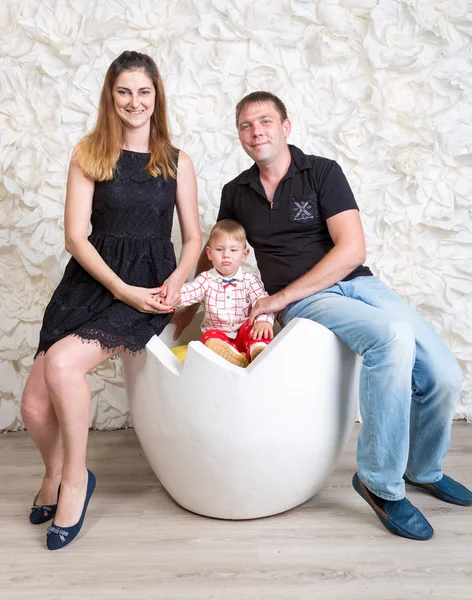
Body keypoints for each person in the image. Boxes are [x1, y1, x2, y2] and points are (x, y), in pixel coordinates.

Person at [173, 91, 472, 541]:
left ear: (286, 127)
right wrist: (181, 314)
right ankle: (379, 483)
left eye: (266, 121)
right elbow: (218, 252)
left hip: (357, 283)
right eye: (246, 125)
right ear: (239, 135)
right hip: (305, 301)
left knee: (444, 375)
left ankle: (423, 469)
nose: (257, 131)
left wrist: (275, 298)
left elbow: (352, 249)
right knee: (389, 338)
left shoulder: (322, 172)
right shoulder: (236, 191)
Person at [21, 51, 201, 550]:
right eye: (124, 91)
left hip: (147, 285)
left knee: (61, 367)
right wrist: (116, 287)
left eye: (144, 91)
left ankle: (76, 481)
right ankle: (56, 473)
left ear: (156, 96)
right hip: (92, 280)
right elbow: (76, 237)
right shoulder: (89, 152)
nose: (134, 101)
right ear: (110, 95)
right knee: (34, 408)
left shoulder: (176, 160)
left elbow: (192, 238)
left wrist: (177, 282)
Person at [176, 219, 274, 368]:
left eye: (233, 250)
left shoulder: (250, 280)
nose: (226, 255)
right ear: (209, 253)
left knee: (255, 328)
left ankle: (257, 350)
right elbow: (188, 292)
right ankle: (229, 356)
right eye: (219, 249)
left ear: (244, 254)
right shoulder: (205, 279)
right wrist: (170, 294)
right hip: (219, 334)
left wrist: (264, 320)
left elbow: (263, 302)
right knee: (208, 337)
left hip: (243, 332)